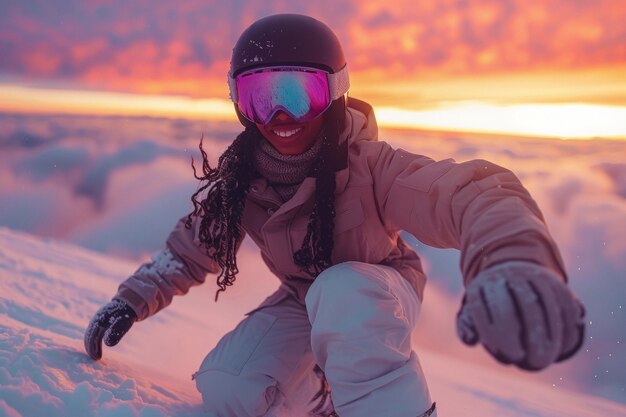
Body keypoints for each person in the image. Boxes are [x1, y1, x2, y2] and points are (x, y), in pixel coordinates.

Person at [84, 13, 586, 417]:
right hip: (305, 300)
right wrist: (132, 299)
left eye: (299, 95)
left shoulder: (372, 168)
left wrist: (512, 258)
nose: (280, 118)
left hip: (380, 289)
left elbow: (472, 193)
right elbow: (191, 249)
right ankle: (326, 400)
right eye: (261, 98)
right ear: (239, 102)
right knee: (227, 388)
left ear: (334, 93)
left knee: (341, 290)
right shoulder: (243, 181)